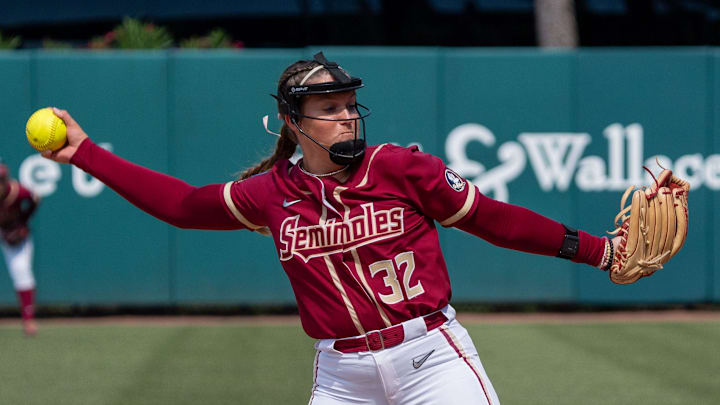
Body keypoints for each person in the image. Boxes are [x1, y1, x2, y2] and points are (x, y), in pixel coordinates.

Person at [42, 52, 617, 404]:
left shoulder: (399, 167)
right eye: (330, 108)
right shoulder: (273, 193)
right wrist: (87, 152)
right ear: (294, 123)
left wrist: (599, 252)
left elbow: (497, 221)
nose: (347, 115)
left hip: (432, 360)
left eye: (349, 105)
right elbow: (184, 206)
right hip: (343, 376)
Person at [0, 161, 40, 336]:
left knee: (21, 270)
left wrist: (24, 220)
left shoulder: (18, 192)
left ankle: (28, 320)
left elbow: (35, 198)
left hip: (13, 234)